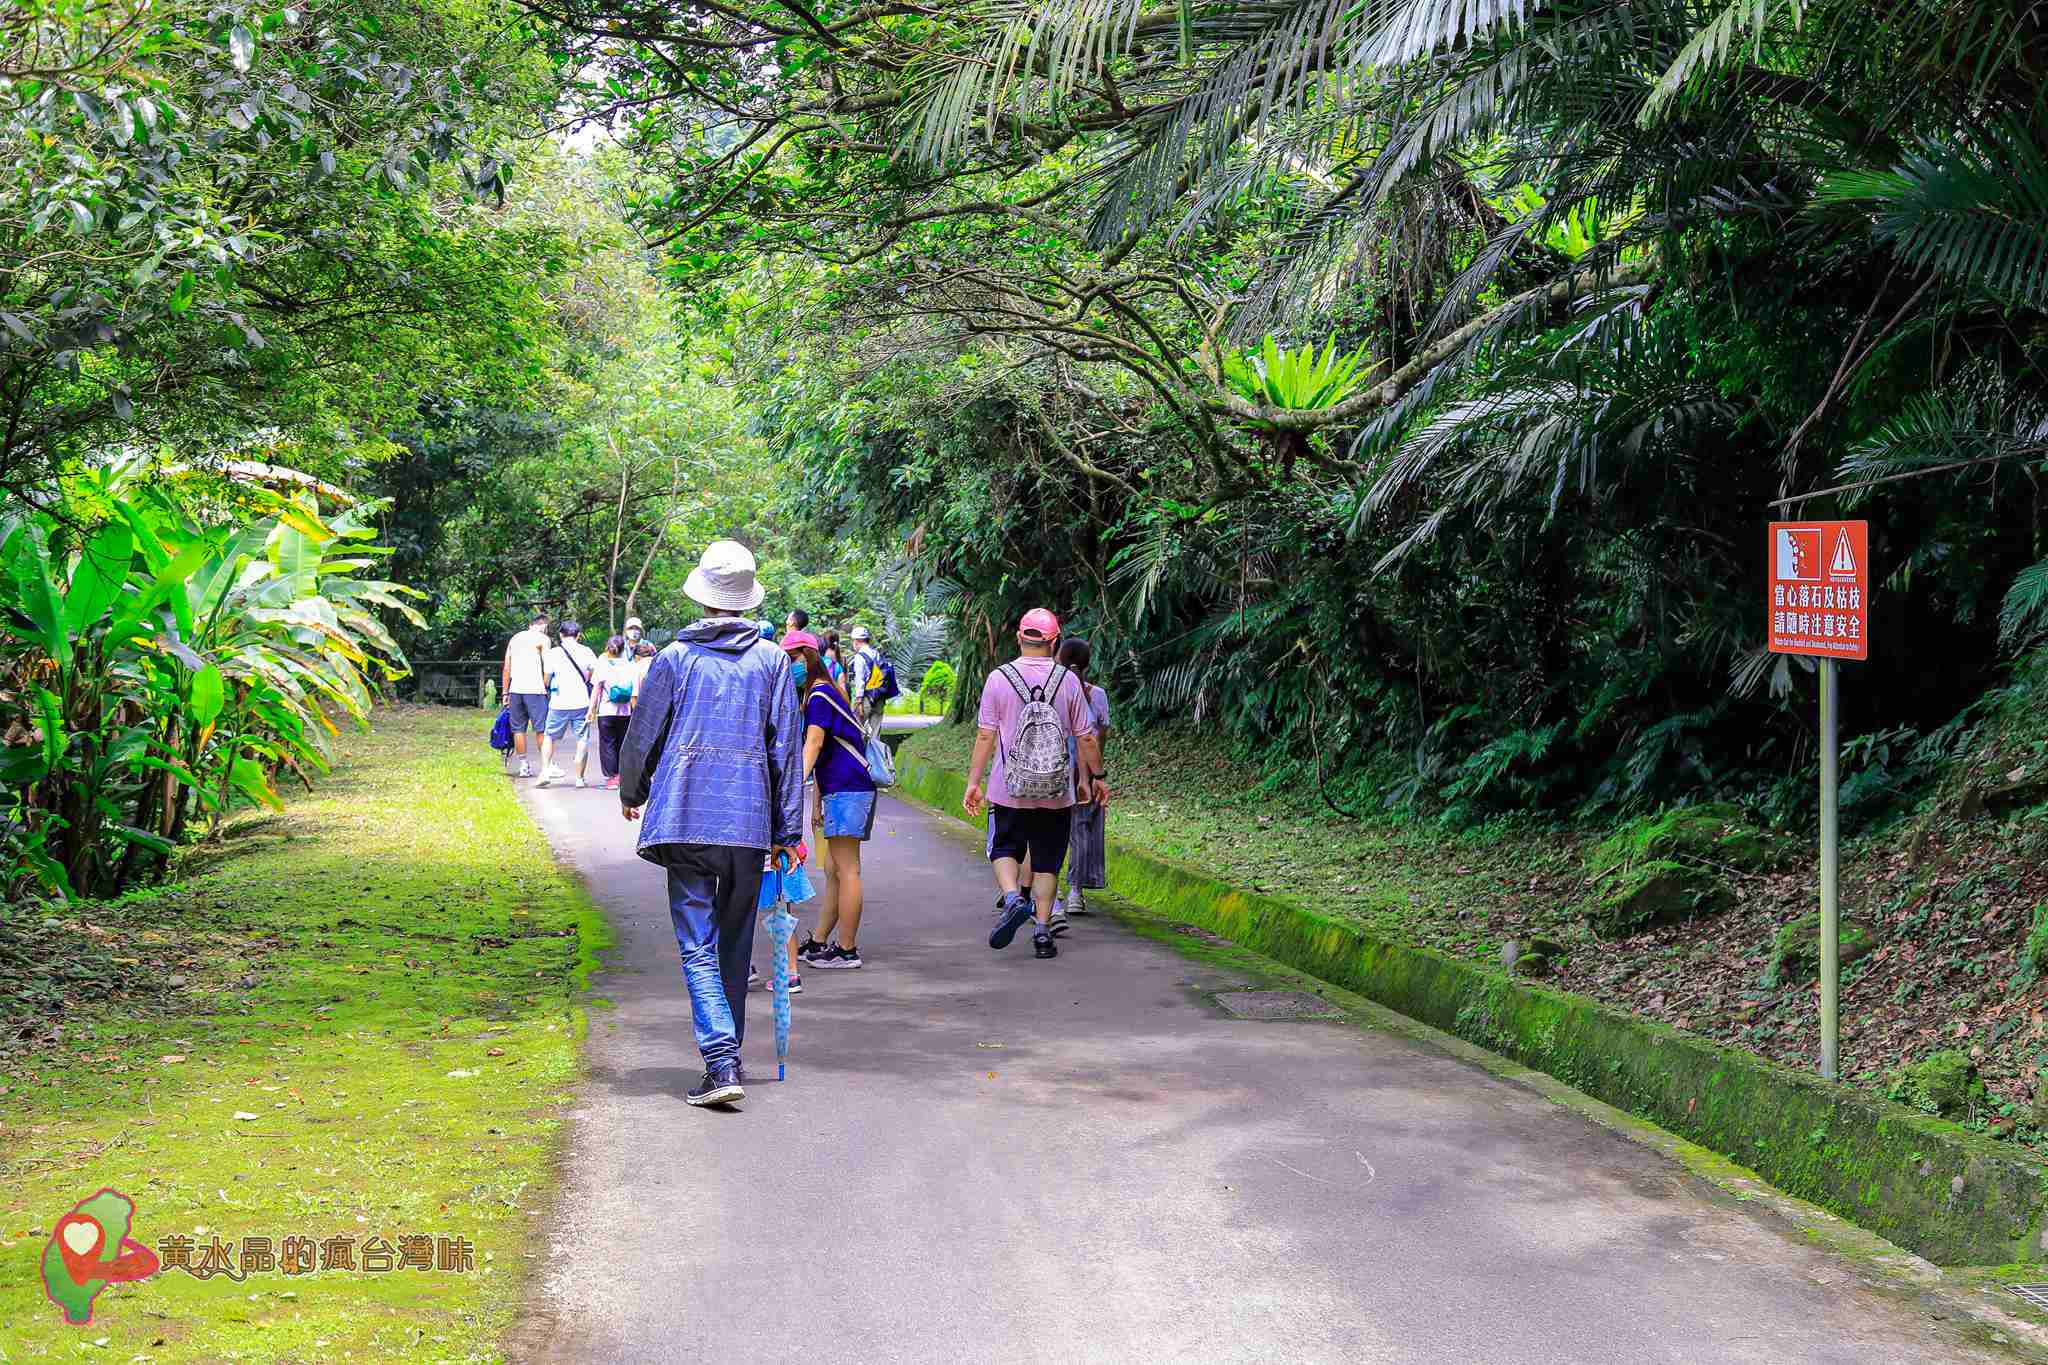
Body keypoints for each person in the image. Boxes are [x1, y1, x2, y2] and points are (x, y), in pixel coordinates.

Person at [619, 540, 802, 1109]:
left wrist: (633, 790)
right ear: (746, 601)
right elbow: (785, 750)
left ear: (702, 596)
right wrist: (788, 831)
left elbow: (642, 734)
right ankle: (730, 1055)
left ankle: (720, 1060)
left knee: (697, 942)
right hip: (749, 824)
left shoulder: (675, 657)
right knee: (734, 939)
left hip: (686, 818)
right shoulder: (772, 661)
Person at [963, 608, 1108, 960]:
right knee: (1046, 861)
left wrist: (973, 782)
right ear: (1053, 640)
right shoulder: (1069, 681)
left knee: (1004, 849)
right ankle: (1043, 932)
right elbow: (1087, 737)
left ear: (1019, 638)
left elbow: (985, 735)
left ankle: (1013, 898)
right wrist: (1096, 777)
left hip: (1008, 787)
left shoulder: (999, 678)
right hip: (1056, 791)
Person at [781, 631, 876, 970]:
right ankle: (821, 940)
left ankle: (847, 949)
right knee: (836, 869)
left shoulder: (819, 695)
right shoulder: (821, 691)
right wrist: (817, 801)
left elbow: (815, 745)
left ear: (807, 655)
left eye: (792, 659)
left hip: (848, 787)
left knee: (847, 869)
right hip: (841, 787)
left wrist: (793, 786)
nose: (789, 667)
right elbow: (827, 752)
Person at [1052, 635, 1111, 928]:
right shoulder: (1096, 695)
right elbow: (1096, 741)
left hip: (1050, 772)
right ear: (1088, 664)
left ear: (1057, 659)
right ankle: (1075, 891)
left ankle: (1050, 898)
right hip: (1083, 773)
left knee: (1048, 832)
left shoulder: (1050, 692)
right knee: (1082, 831)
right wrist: (1095, 776)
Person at [538, 621, 599, 788]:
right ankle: (579, 778)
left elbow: (546, 679)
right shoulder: (587, 652)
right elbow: (594, 677)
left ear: (560, 635)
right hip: (581, 702)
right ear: (578, 635)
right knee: (582, 738)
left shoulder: (553, 653)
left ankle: (544, 771)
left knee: (549, 736)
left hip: (558, 702)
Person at [501, 612, 551, 778]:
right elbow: (548, 667)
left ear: (530, 624)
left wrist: (505, 692)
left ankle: (523, 765)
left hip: (515, 690)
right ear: (544, 626)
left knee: (518, 729)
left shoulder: (515, 638)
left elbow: (507, 667)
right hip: (535, 690)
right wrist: (545, 685)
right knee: (541, 728)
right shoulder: (543, 639)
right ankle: (547, 766)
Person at [587, 634, 639, 791]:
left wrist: (591, 710)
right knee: (623, 743)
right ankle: (622, 776)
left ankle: (612, 779)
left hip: (606, 711)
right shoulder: (631, 666)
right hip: (625, 712)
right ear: (624, 649)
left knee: (608, 744)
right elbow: (635, 691)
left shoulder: (602, 665)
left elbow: (596, 690)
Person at [848, 625, 883, 739]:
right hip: (879, 696)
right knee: (876, 730)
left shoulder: (859, 657)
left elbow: (860, 680)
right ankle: (876, 755)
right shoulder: (876, 654)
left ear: (857, 641)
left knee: (856, 728)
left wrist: (858, 701)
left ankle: (859, 754)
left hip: (865, 698)